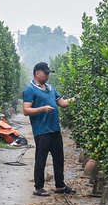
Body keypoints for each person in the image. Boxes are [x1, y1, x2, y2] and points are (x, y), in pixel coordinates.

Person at [22, 62, 76, 196]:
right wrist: (42, 109)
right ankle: (38, 187)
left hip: (54, 129)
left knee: (59, 158)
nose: (47, 76)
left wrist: (78, 98)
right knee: (41, 159)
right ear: (37, 73)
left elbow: (63, 103)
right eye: (45, 73)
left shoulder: (51, 88)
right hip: (42, 131)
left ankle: (60, 186)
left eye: (48, 73)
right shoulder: (30, 90)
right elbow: (26, 110)